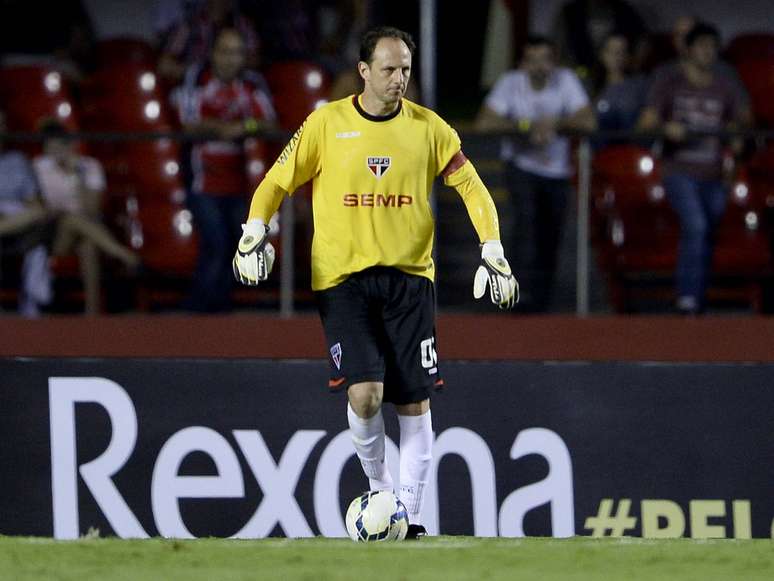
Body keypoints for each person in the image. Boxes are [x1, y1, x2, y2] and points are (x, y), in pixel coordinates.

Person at [232, 26, 517, 538]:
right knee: (364, 396)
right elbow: (277, 180)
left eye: (405, 68)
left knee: (414, 401)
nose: (398, 79)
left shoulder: (430, 129)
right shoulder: (326, 123)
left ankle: (410, 516)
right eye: (388, 69)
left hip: (410, 279)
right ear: (364, 71)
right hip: (343, 281)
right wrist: (254, 231)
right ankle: (382, 492)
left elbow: (472, 188)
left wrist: (492, 249)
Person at [637, 22, 752, 315]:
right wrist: (666, 128)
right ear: (687, 50)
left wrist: (735, 129)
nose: (708, 52)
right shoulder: (670, 81)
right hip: (679, 171)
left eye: (713, 47)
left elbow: (745, 120)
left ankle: (697, 296)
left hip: (714, 174)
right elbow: (645, 125)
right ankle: (688, 297)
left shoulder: (725, 82)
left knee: (706, 231)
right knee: (696, 226)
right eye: (702, 46)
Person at [476, 36, 596, 312]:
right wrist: (525, 126)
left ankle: (542, 300)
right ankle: (515, 294)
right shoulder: (510, 82)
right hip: (521, 165)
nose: (539, 66)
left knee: (551, 234)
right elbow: (484, 123)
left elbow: (588, 120)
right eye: (533, 60)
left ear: (554, 62)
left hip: (557, 171)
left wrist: (556, 123)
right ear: (523, 63)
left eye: (545, 60)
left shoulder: (565, 81)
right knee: (526, 226)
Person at [173, 27, 277, 312]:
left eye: (238, 53)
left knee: (233, 244)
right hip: (202, 182)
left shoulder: (252, 84)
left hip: (238, 183)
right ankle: (198, 311)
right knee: (215, 242)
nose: (231, 60)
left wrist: (245, 127)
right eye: (225, 52)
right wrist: (222, 129)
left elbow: (269, 122)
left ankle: (219, 313)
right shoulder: (197, 78)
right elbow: (188, 124)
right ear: (213, 53)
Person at [33, 120, 140, 315]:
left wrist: (75, 175)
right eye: (51, 147)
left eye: (60, 146)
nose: (56, 152)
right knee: (69, 220)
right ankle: (122, 254)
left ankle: (92, 313)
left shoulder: (89, 166)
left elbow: (91, 209)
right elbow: (40, 207)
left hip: (86, 228)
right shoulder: (38, 167)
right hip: (53, 234)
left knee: (87, 244)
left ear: (70, 146)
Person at [0, 109, 52, 317]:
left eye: (2, 124)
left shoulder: (18, 160)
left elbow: (33, 203)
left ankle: (31, 301)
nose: (1, 128)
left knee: (37, 231)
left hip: (16, 216)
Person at [590, 32, 648, 146]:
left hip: (630, 149)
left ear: (627, 56)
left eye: (621, 51)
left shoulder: (640, 85)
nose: (616, 56)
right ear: (602, 54)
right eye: (611, 51)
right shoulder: (591, 87)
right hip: (599, 152)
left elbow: (647, 119)